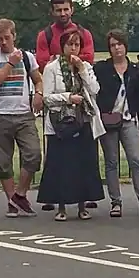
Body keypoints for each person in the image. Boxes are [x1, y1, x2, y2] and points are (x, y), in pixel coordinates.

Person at [38, 29, 105, 221]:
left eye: (77, 44)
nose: (73, 48)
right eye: (70, 44)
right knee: (62, 164)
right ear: (63, 46)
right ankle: (61, 207)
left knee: (84, 163)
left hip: (83, 119)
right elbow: (48, 98)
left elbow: (95, 89)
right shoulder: (52, 68)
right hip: (62, 122)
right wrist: (68, 98)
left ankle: (83, 205)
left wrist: (82, 69)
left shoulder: (85, 66)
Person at [0, 18, 43, 218]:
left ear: (14, 36)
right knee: (3, 161)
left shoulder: (27, 57)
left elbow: (38, 79)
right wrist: (9, 64)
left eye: (7, 38)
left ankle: (20, 194)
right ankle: (11, 201)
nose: (4, 42)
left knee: (33, 154)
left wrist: (39, 94)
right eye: (0, 39)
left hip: (23, 114)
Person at [93, 29, 139, 219]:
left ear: (125, 45)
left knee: (136, 160)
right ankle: (116, 201)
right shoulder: (102, 68)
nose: (116, 48)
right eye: (112, 45)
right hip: (109, 121)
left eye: (119, 44)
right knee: (111, 162)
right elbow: (95, 92)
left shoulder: (135, 69)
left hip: (129, 120)